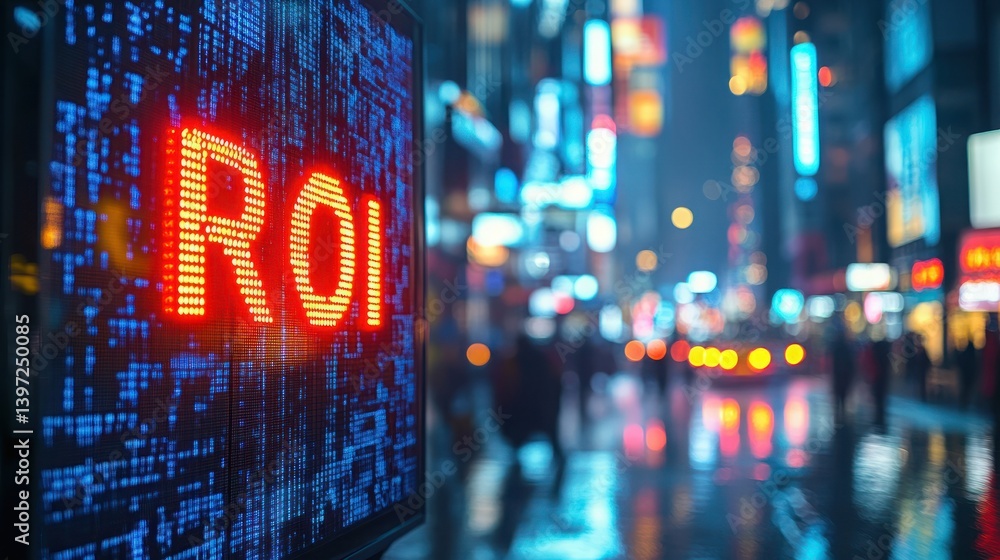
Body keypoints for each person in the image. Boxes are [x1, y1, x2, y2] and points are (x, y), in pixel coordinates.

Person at [831, 320, 854, 421]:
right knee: (843, 395)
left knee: (838, 396)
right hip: (844, 376)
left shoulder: (836, 347)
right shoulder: (847, 348)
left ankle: (838, 414)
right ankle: (842, 414)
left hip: (839, 376)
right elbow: (850, 363)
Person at [871, 336, 892, 425]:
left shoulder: (875, 354)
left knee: (878, 396)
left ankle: (878, 413)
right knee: (881, 396)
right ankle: (881, 414)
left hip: (877, 378)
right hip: (882, 378)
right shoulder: (886, 355)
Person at [957, 339, 978, 408]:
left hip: (965, 375)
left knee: (964, 389)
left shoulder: (965, 354)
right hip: (969, 375)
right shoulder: (972, 355)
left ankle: (963, 402)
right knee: (967, 389)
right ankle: (965, 402)